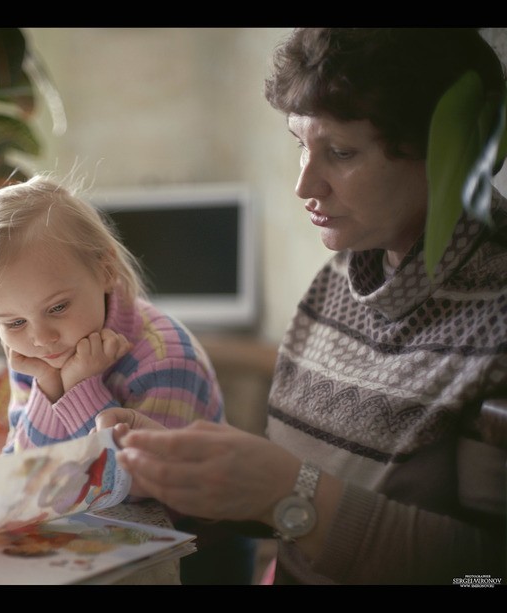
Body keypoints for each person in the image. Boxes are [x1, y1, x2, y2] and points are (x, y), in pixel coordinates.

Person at [96, 28, 507, 585]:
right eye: (300, 145)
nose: (304, 184)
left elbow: (484, 574)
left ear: (451, 151)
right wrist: (198, 470)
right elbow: (298, 509)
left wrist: (286, 490)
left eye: (340, 152)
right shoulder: (346, 270)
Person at [0, 173, 256, 583]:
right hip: (95, 542)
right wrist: (51, 386)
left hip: (196, 556)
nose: (41, 337)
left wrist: (79, 386)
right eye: (15, 321)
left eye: (57, 308)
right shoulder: (37, 355)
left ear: (105, 270)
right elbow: (26, 470)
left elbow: (137, 486)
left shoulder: (165, 360)